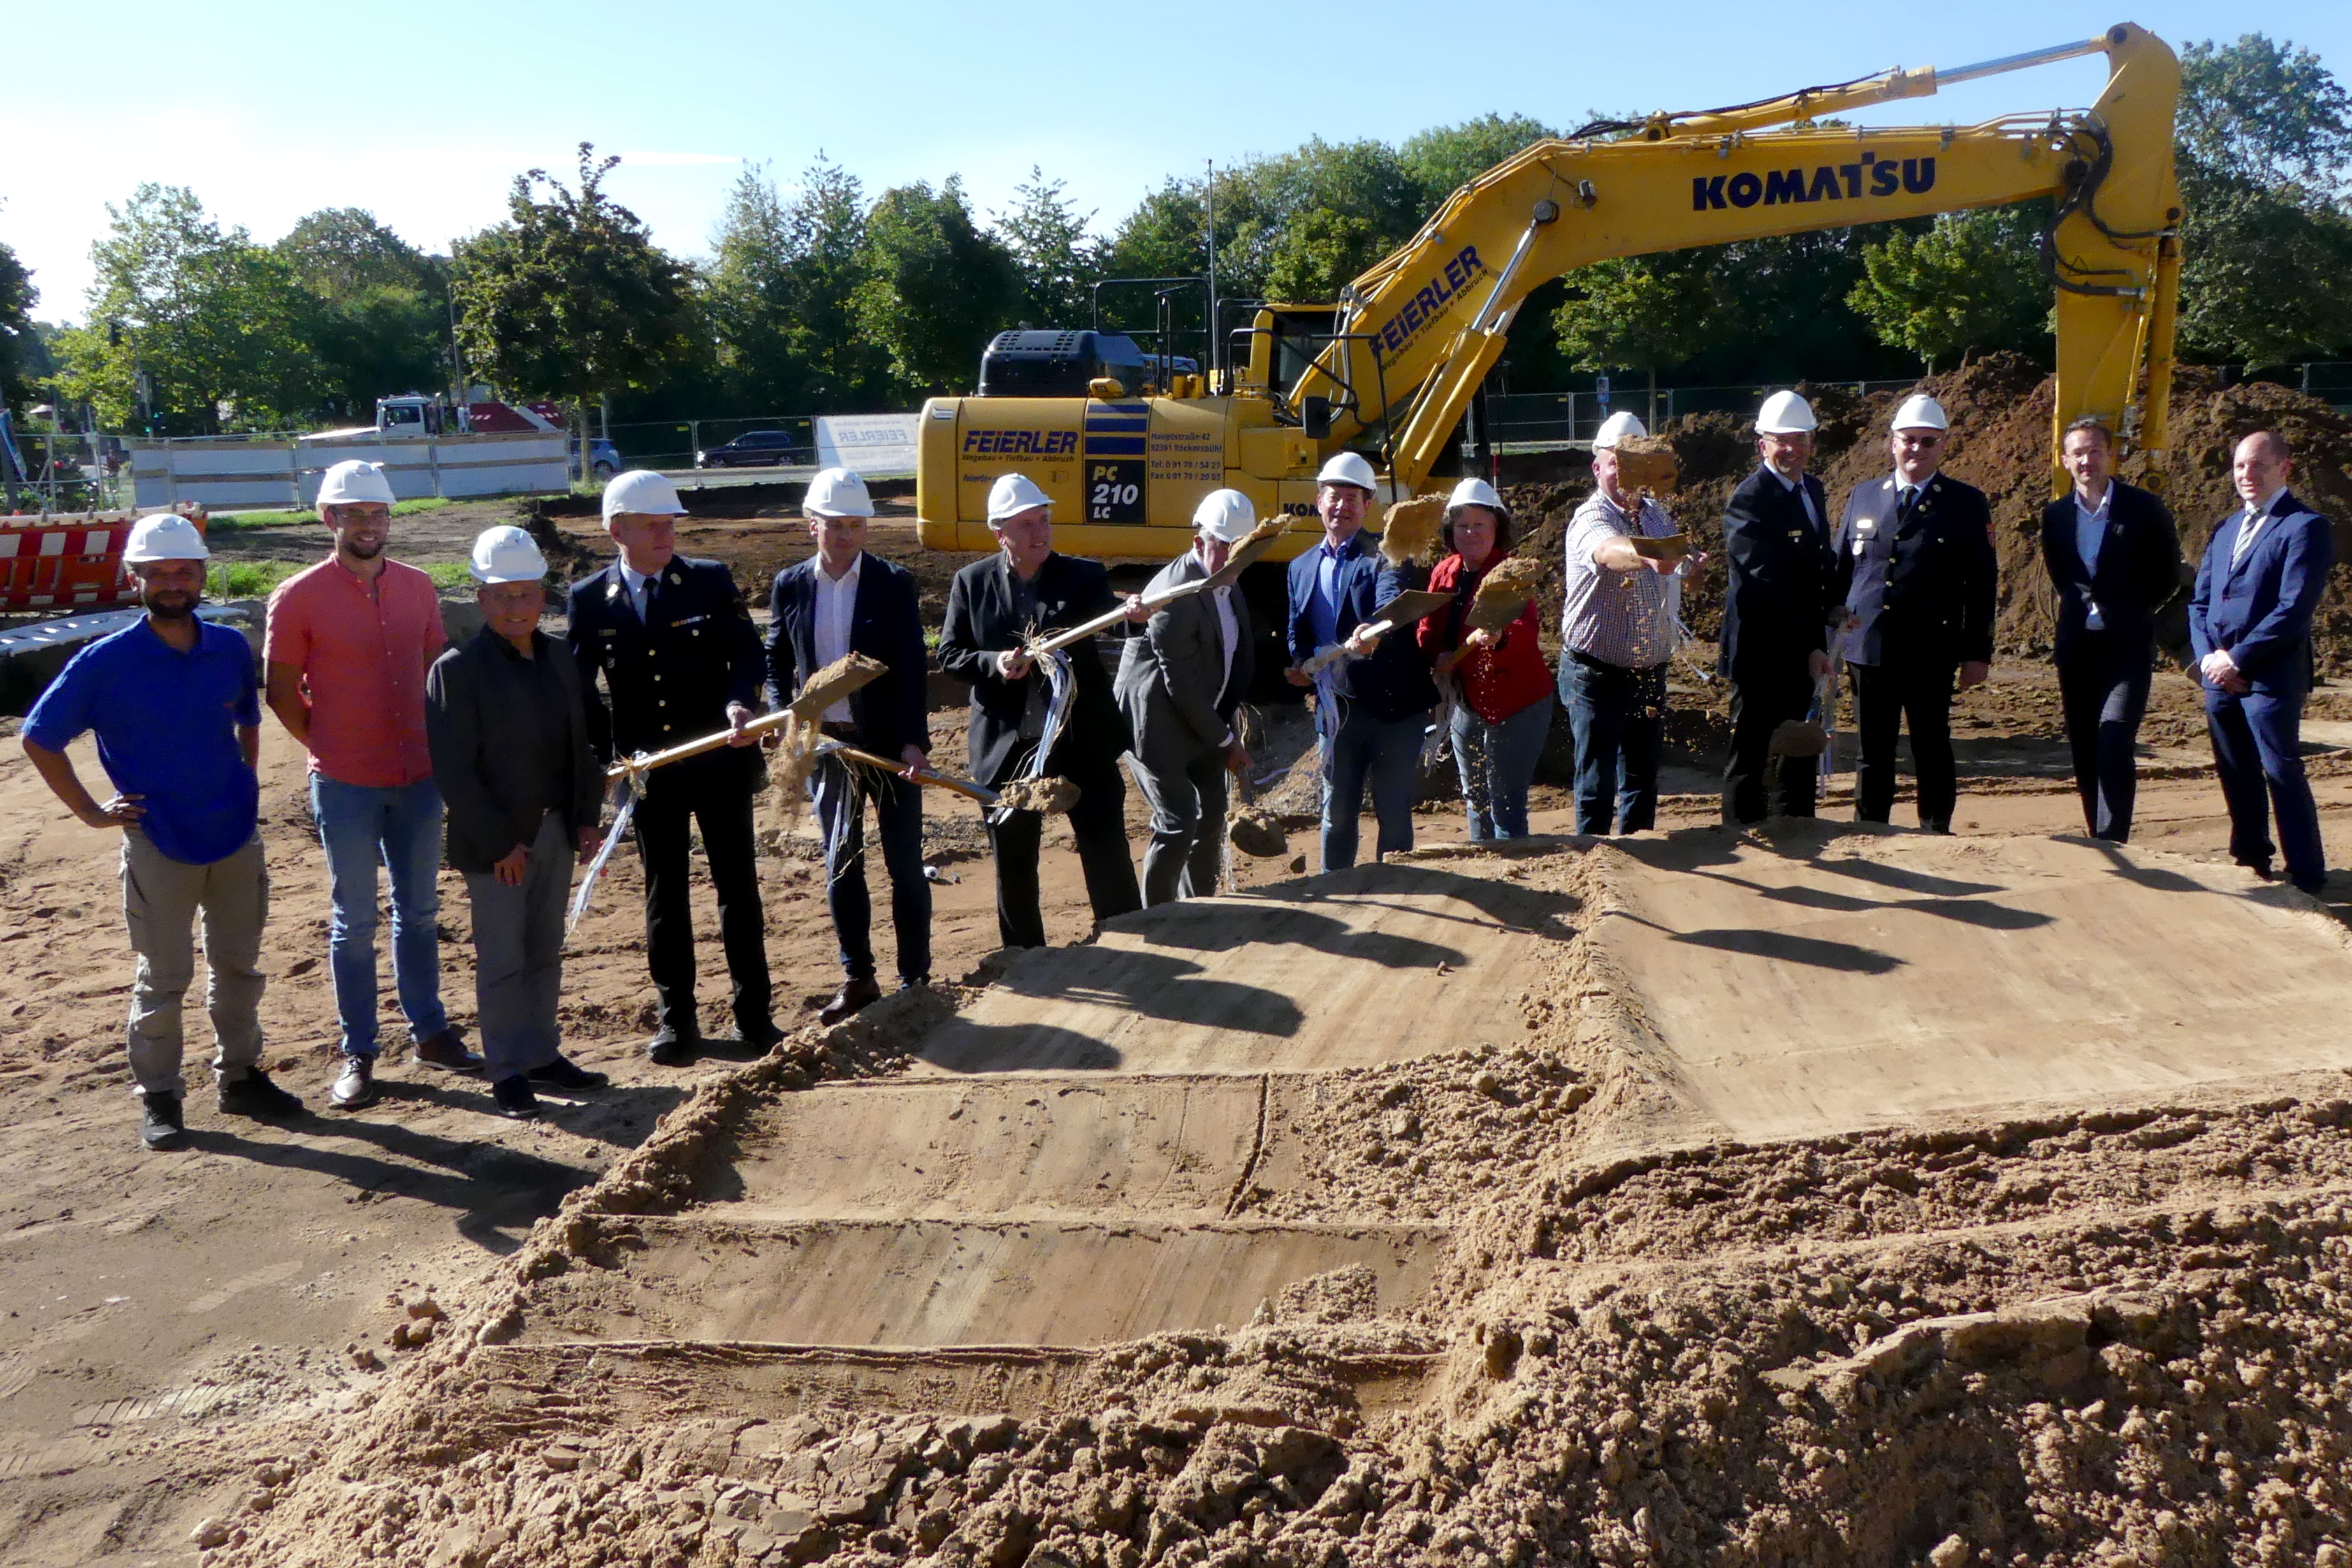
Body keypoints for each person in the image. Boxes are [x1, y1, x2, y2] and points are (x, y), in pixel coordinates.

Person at [22, 515, 302, 1150]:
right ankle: (161, 1095)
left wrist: (246, 782)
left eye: (184, 572)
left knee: (239, 966)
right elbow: (39, 738)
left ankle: (241, 1077)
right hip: (158, 840)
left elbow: (248, 719)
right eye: (158, 574)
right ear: (134, 579)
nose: (173, 584)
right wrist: (93, 814)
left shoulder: (229, 645)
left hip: (232, 835)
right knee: (165, 973)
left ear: (202, 575)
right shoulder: (104, 662)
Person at [265, 458, 478, 1111]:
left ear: (390, 519)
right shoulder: (298, 596)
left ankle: (430, 1031)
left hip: (418, 778)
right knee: (352, 921)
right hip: (347, 783)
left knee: (418, 913)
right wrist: (330, 747)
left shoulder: (417, 588)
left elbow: (434, 670)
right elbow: (279, 693)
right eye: (353, 514)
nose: (367, 525)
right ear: (329, 518)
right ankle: (359, 1048)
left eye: (377, 514)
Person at [568, 470, 779, 1064]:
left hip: (718, 760)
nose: (667, 533)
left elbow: (746, 650)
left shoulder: (707, 581)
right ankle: (676, 1020)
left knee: (737, 888)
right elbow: (581, 691)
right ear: (618, 530)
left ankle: (754, 1016)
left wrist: (742, 701)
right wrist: (603, 759)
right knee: (666, 895)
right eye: (653, 524)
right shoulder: (589, 599)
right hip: (649, 773)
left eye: (670, 523)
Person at [424, 527, 610, 1120]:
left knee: (545, 951)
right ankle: (505, 1069)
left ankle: (540, 1053)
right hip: (498, 846)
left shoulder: (559, 658)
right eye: (502, 595)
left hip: (556, 830)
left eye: (526, 594)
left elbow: (580, 746)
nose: (515, 607)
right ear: (480, 598)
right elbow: (455, 772)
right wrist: (502, 842)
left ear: (542, 597)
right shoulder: (457, 670)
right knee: (503, 958)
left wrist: (585, 818)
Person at [937, 472, 1146, 948]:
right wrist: (994, 662)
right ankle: (1025, 956)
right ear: (1001, 533)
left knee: (1105, 845)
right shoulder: (971, 584)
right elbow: (951, 654)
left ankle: (1128, 940)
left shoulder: (1084, 576)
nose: (1041, 533)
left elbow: (1112, 621)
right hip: (1008, 744)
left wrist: (1130, 614)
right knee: (1013, 857)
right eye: (1027, 525)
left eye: (1045, 521)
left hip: (1080, 740)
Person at [764, 468, 933, 1023]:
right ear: (812, 525)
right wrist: (777, 711)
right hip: (828, 748)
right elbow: (776, 658)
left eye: (856, 526)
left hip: (886, 745)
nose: (846, 536)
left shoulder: (892, 581)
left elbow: (911, 667)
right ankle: (858, 977)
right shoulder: (791, 584)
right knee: (842, 862)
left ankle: (915, 979)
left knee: (905, 864)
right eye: (835, 525)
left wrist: (913, 741)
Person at [1831, 394, 1996, 833]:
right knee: (1873, 751)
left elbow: (1980, 584)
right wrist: (1828, 634)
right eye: (1909, 440)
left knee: (1931, 745)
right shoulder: (1864, 496)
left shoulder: (1964, 503)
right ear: (1892, 443)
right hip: (1869, 647)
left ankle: (1935, 831)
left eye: (1928, 442)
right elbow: (1842, 569)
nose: (1916, 450)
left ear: (1943, 446)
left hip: (1931, 648)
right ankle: (1869, 831)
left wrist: (1976, 652)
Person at [2189, 430, 2335, 893]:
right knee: (2236, 771)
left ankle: (2307, 874)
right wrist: (2210, 659)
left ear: (2284, 468)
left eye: (2258, 466)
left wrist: (2238, 659)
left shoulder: (2305, 527)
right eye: (2239, 467)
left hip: (2269, 677)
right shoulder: (2226, 528)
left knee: (2280, 770)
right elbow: (2200, 602)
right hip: (2220, 676)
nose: (2246, 475)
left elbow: (2293, 609)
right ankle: (2251, 859)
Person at [1284, 452, 1439, 869]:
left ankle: (1398, 901)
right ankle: (1334, 890)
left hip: (1393, 711)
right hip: (1338, 715)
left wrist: (1372, 631)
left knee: (1392, 812)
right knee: (1336, 814)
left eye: (1352, 498)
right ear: (1319, 501)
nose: (1342, 506)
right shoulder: (1300, 568)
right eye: (1334, 497)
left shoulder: (1385, 558)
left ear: (1368, 506)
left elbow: (1390, 604)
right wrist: (1300, 665)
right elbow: (1298, 634)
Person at [1553, 412, 1702, 836]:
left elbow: (1682, 574)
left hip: (1648, 671)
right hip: (1594, 672)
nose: (1624, 472)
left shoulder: (1657, 516)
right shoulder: (1590, 516)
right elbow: (1607, 552)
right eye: (1615, 462)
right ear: (1597, 468)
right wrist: (1648, 556)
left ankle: (1640, 862)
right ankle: (1594, 862)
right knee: (1597, 783)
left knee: (1641, 778)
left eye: (1632, 463)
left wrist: (1691, 572)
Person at [2040, 417, 2184, 842]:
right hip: (2077, 648)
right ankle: (2097, 834)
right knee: (2084, 745)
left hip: (2128, 646)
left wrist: (2131, 608)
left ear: (2111, 455)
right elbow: (2061, 574)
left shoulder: (2143, 508)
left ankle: (2115, 834)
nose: (2087, 460)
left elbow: (2169, 573)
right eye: (2078, 453)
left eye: (2095, 451)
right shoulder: (2057, 515)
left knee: (2115, 735)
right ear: (2066, 460)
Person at [1117, 489, 1258, 903]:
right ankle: (1158, 915)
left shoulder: (1227, 580)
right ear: (1199, 543)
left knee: (1212, 815)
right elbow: (1181, 686)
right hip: (1157, 725)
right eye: (1225, 547)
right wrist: (1227, 741)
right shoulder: (1174, 597)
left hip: (1203, 718)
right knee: (1179, 821)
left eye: (1242, 549)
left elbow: (1230, 660)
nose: (1234, 558)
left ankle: (1200, 906)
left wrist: (1225, 731)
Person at [1720, 392, 1839, 824]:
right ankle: (1742, 832)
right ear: (1762, 446)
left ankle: (1798, 829)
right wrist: (1810, 645)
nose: (1792, 449)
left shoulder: (1813, 490)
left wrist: (1835, 606)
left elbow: (1816, 564)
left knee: (1800, 749)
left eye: (1800, 439)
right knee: (1751, 750)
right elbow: (1769, 582)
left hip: (1803, 640)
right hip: (1761, 649)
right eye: (1781, 440)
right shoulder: (1750, 500)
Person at [1421, 478, 1553, 841]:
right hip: (1467, 702)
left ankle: (1515, 873)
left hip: (1518, 702)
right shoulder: (1444, 572)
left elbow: (1524, 631)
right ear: (1452, 531)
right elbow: (1428, 628)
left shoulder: (1509, 572)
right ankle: (1484, 868)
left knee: (1506, 801)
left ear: (1497, 528)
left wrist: (1499, 639)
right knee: (1475, 798)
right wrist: (1438, 654)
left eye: (1480, 524)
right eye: (1463, 525)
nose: (1471, 533)